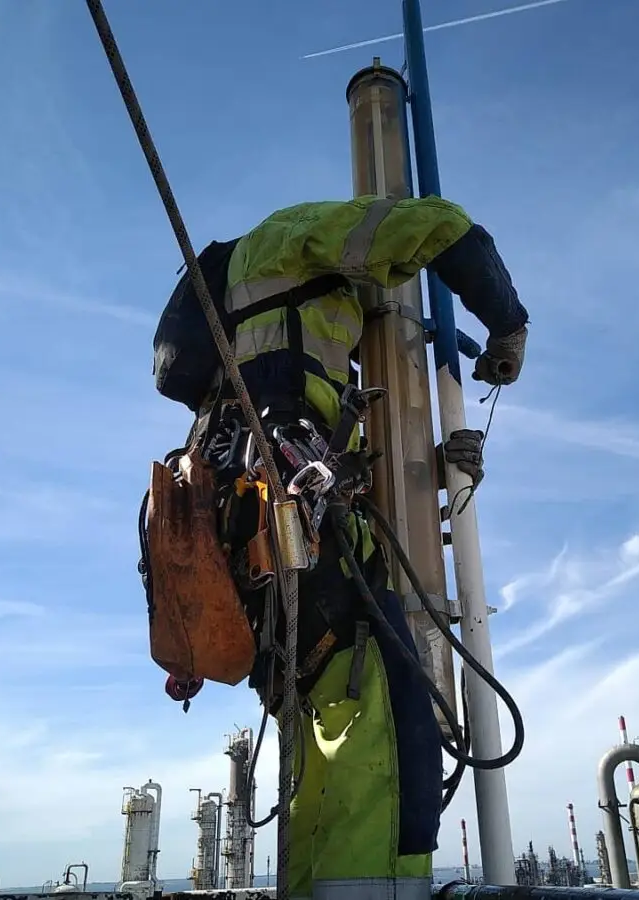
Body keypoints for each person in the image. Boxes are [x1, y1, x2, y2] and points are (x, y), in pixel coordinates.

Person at [150, 195, 529, 900]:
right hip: (290, 513)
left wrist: (434, 467)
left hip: (244, 540)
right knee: (388, 725)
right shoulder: (293, 235)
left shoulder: (229, 338)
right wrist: (509, 324)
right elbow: (441, 228)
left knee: (317, 754)